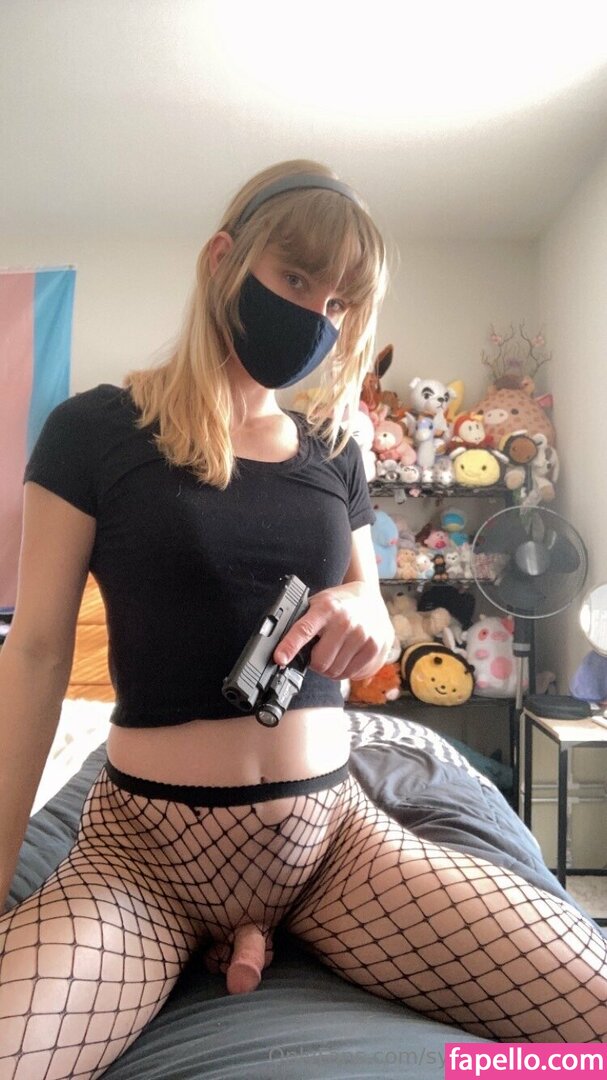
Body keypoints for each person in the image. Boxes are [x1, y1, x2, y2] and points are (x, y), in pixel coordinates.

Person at [0, 159, 605, 1079]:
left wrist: (366, 612)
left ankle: (268, 936)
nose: (317, 318)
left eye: (338, 304)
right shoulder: (94, 430)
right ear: (222, 261)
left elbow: (371, 621)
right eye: (295, 279)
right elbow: (38, 654)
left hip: (332, 849)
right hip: (144, 861)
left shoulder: (335, 452)